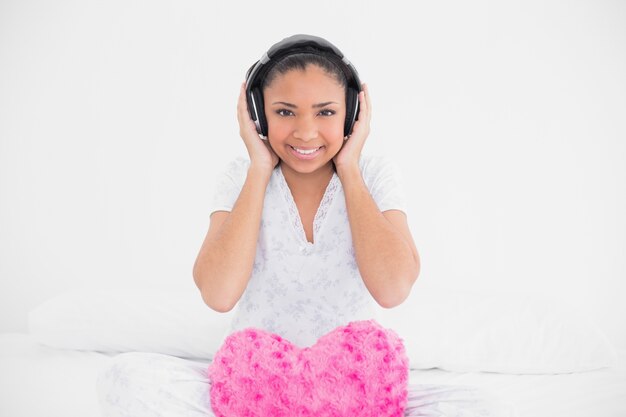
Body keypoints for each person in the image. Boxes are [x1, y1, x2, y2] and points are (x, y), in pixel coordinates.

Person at [96, 34, 510, 417]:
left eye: (326, 112)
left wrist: (349, 168)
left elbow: (393, 287)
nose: (306, 131)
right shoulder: (240, 175)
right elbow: (219, 295)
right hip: (253, 387)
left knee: (482, 405)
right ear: (258, 115)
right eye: (284, 112)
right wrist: (259, 169)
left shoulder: (374, 173)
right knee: (125, 379)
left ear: (352, 115)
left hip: (353, 388)